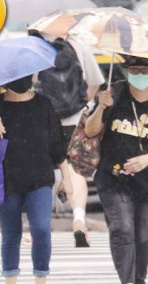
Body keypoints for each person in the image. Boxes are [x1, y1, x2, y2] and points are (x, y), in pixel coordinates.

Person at [0, 74, 74, 284]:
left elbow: (58, 147)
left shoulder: (43, 104)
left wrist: (66, 179)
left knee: (41, 229)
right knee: (11, 233)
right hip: (5, 180)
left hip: (40, 179)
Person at [84, 56, 148, 284]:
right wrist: (100, 108)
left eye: (145, 70)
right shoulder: (113, 93)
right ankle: (127, 283)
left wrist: (147, 159)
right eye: (134, 69)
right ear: (126, 70)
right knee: (122, 226)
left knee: (146, 233)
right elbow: (91, 130)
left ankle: (140, 283)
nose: (139, 74)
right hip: (113, 177)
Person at [31, 31, 106, 248]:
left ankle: (40, 226)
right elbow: (95, 81)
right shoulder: (77, 44)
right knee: (75, 171)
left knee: (44, 173)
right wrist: (83, 104)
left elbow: (28, 85)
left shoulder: (34, 46)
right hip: (75, 118)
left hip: (43, 119)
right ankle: (79, 219)